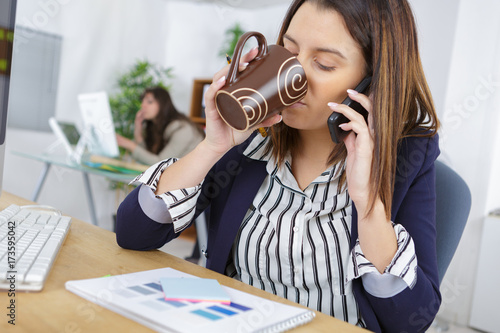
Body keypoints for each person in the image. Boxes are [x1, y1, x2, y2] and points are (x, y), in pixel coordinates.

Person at [116, 0, 441, 331]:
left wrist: (368, 205)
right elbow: (133, 233)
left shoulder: (408, 155)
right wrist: (212, 147)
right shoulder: (254, 135)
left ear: (372, 82)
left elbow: (411, 321)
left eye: (325, 64)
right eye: (288, 50)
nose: (294, 73)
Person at [115, 86, 204, 165]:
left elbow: (160, 163)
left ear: (162, 104)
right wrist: (138, 129)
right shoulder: (155, 127)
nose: (143, 105)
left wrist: (129, 145)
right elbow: (148, 156)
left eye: (149, 102)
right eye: (143, 101)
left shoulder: (184, 129)